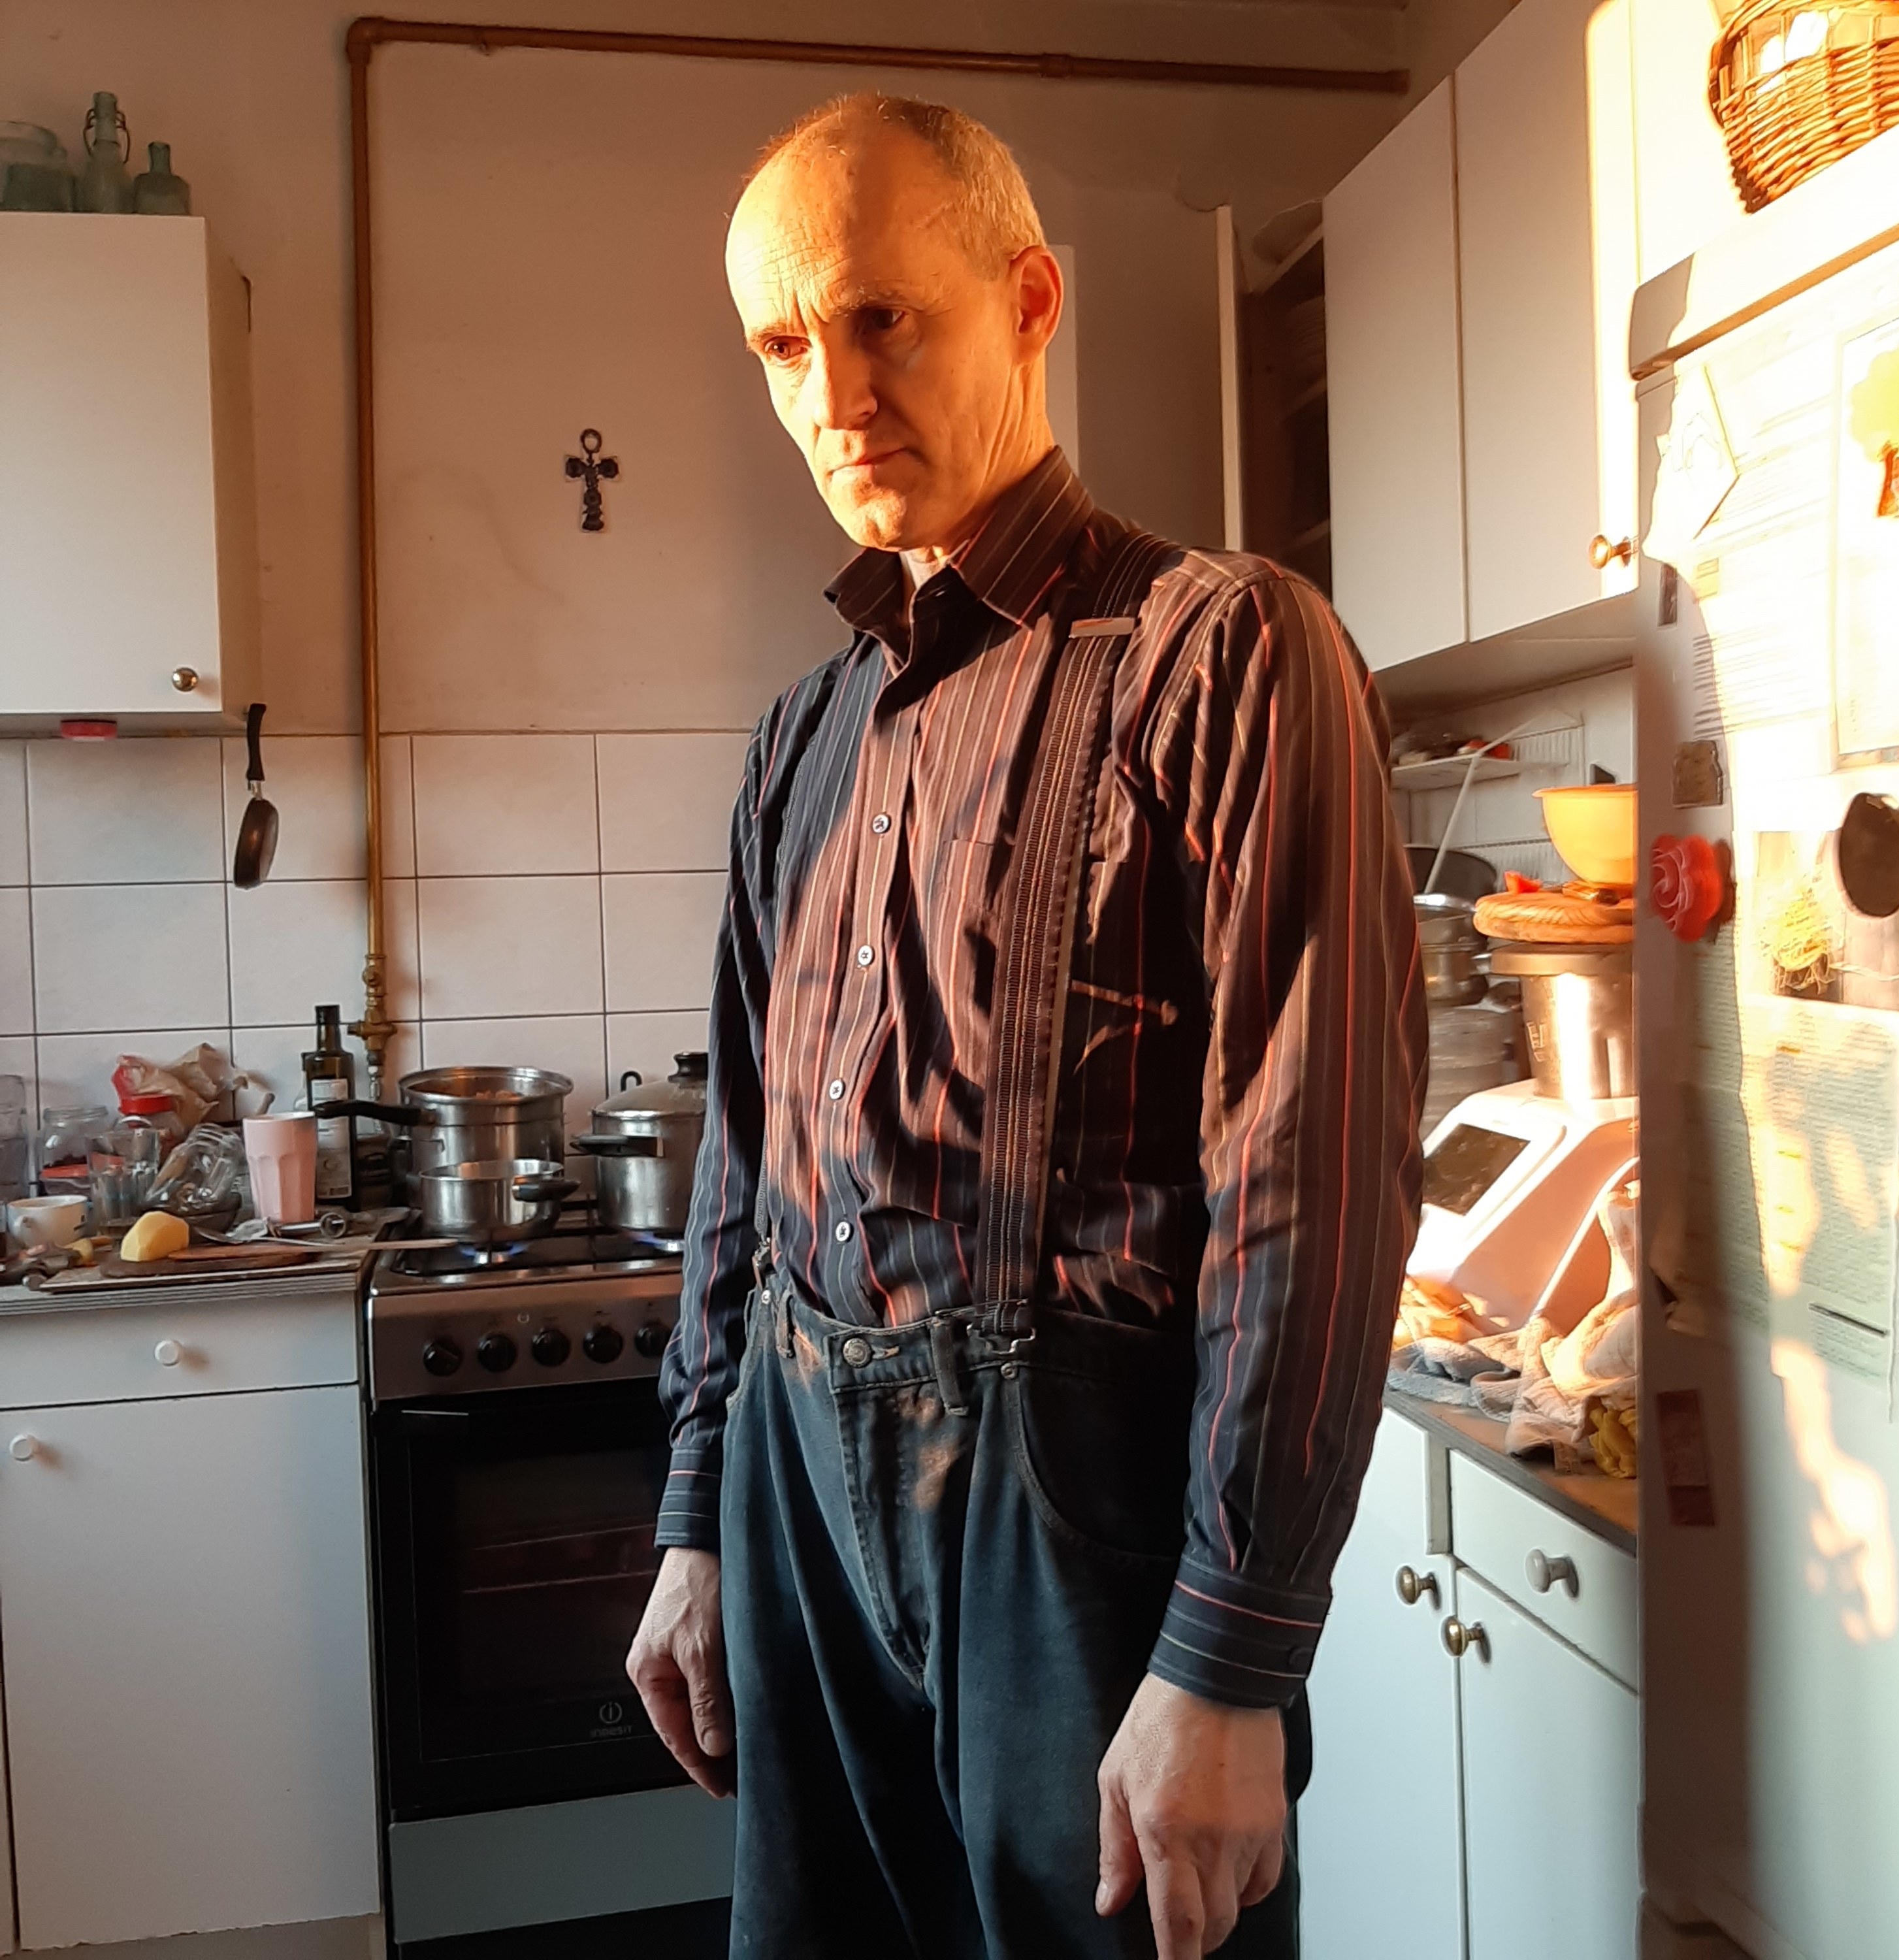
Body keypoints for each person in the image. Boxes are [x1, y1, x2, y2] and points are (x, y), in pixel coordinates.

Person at [626, 92, 1425, 1960]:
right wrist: (694, 1518)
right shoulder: (797, 744)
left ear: (1030, 299)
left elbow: (1312, 1188)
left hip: (1079, 1539)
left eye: (879, 317)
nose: (830, 389)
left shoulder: (1226, 649)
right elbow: (746, 1159)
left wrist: (1230, 1659)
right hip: (795, 1486)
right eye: (779, 345)